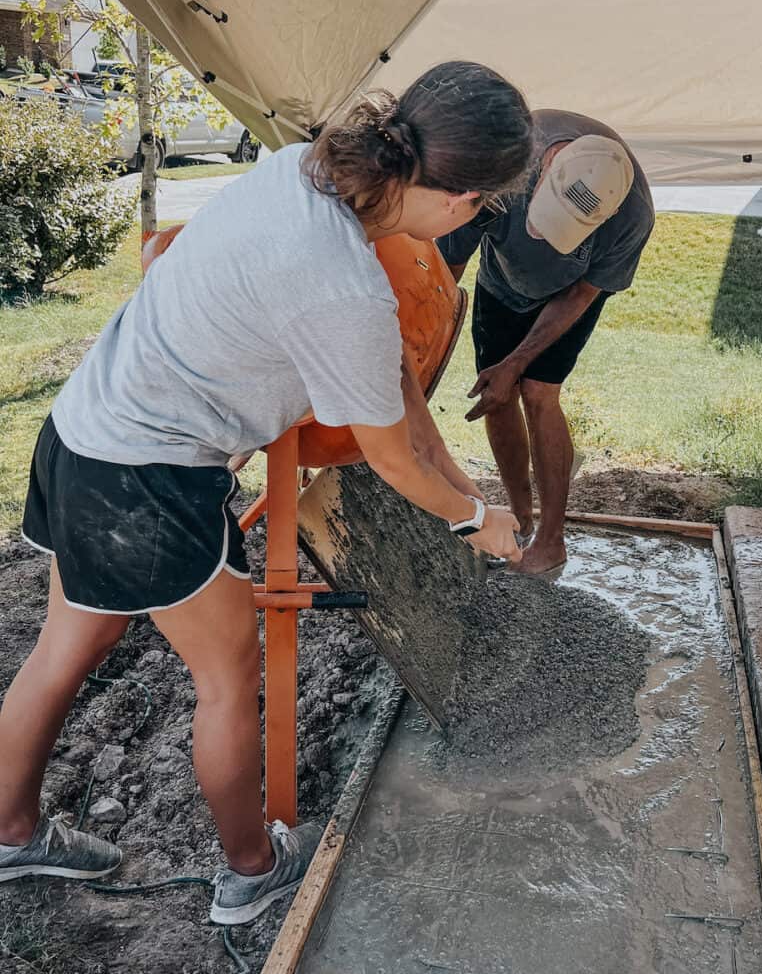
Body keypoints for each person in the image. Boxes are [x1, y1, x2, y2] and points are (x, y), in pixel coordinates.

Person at [0, 62, 533, 923]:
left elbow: (388, 379)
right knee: (229, 673)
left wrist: (464, 484)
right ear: (464, 200)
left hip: (80, 432)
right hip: (147, 479)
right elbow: (392, 459)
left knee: (64, 650)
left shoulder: (303, 166)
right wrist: (477, 519)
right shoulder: (350, 293)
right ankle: (253, 873)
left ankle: (10, 833)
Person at [438, 110, 654, 577]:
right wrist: (427, 352)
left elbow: (583, 293)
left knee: (538, 393)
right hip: (501, 280)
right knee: (495, 396)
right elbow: (447, 270)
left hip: (567, 296)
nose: (544, 237)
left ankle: (551, 541)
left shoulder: (632, 214)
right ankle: (520, 518)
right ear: (546, 169)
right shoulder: (499, 162)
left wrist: (517, 362)